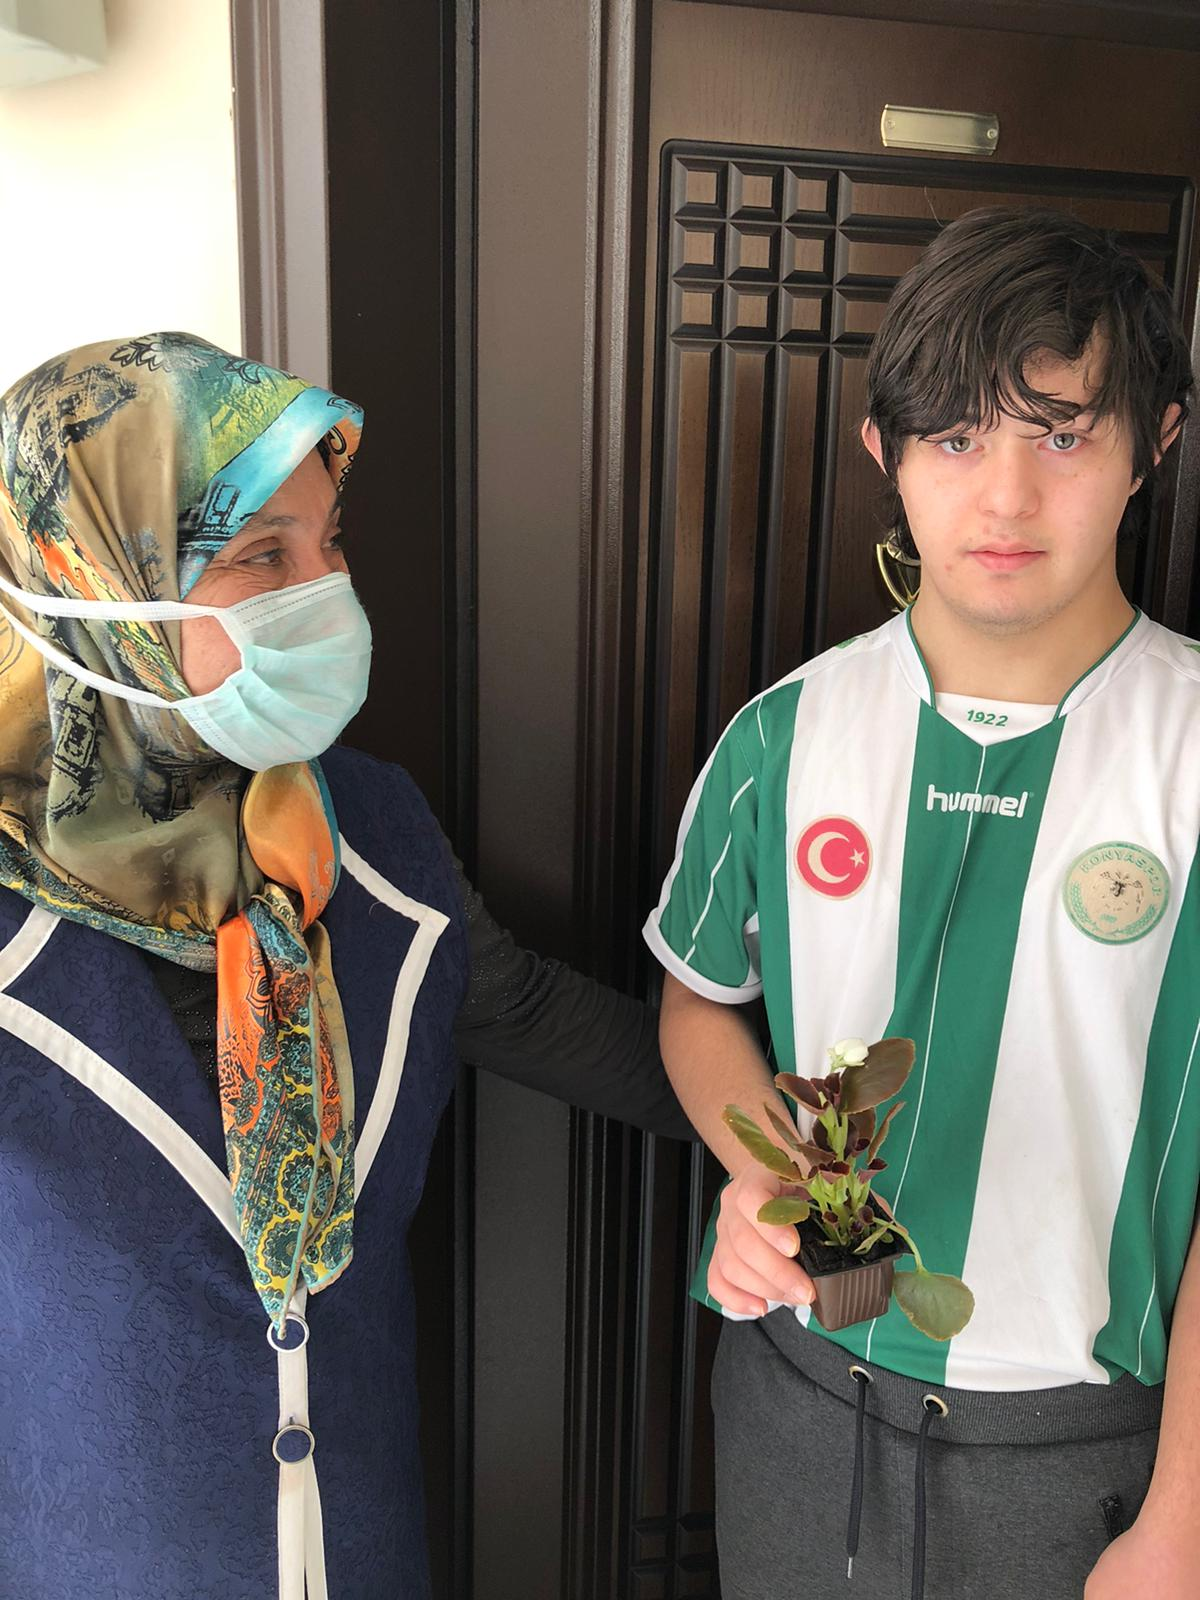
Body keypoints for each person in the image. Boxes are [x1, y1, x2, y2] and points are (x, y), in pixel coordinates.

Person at [0, 332, 689, 1600]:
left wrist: (791, 1121)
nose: (327, 593)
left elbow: (529, 1008)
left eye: (331, 543)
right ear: (91, 575)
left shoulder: (367, 831)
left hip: (364, 1547)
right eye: (264, 556)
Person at [644, 208, 1198, 1600]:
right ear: (882, 453)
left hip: (1095, 1452)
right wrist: (768, 1172)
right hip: (797, 1401)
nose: (1004, 498)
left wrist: (1182, 1523)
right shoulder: (783, 737)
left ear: (1156, 441)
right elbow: (700, 1004)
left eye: (1062, 435)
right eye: (955, 438)